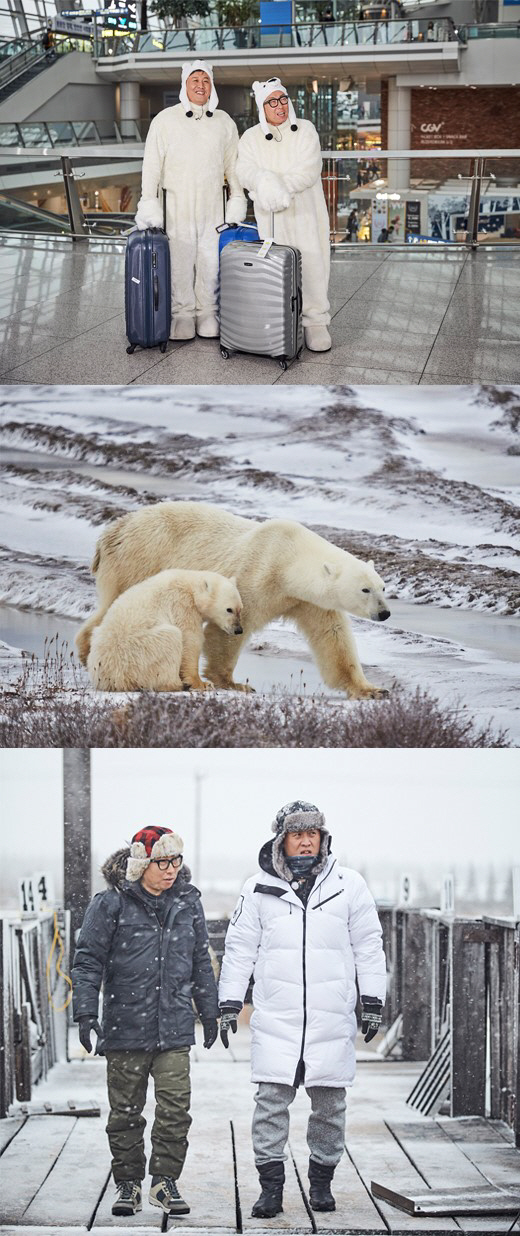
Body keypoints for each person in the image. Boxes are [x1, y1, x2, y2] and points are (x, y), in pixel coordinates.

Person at [218, 801, 386, 1218]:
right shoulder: (256, 889)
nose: (306, 840)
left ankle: (321, 1183)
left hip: (331, 1017)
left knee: (329, 1106)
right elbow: (239, 951)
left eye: (313, 833)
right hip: (278, 1018)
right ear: (282, 841)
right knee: (271, 1103)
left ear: (323, 839)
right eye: (297, 833)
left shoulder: (350, 885)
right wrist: (228, 1003)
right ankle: (270, 1189)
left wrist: (372, 1000)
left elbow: (369, 947)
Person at [72, 826, 219, 1218]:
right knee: (125, 1113)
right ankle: (128, 1183)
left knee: (175, 1110)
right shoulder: (110, 904)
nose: (171, 870)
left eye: (176, 861)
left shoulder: (187, 903)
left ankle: (163, 1182)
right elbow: (88, 960)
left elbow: (200, 962)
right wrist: (85, 1012)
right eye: (162, 862)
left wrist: (209, 1010)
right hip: (124, 1027)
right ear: (142, 864)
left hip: (173, 1027)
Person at [135, 61, 247, 341]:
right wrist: (149, 202)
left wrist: (236, 197)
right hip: (176, 204)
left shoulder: (224, 122)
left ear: (212, 86)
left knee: (210, 260)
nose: (200, 85)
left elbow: (233, 165)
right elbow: (151, 166)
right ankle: (182, 313)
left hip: (213, 205)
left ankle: (207, 311)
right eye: (194, 80)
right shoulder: (165, 120)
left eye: (206, 80)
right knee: (180, 260)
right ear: (184, 85)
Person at [236, 79, 331, 353]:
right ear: (261, 107)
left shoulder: (305, 130)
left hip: (306, 214)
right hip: (272, 217)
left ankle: (315, 320)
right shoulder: (251, 137)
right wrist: (263, 182)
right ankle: (279, 319)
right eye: (272, 102)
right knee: (276, 268)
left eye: (283, 99)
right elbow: (245, 171)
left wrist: (277, 187)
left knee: (312, 262)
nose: (279, 106)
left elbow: (309, 170)